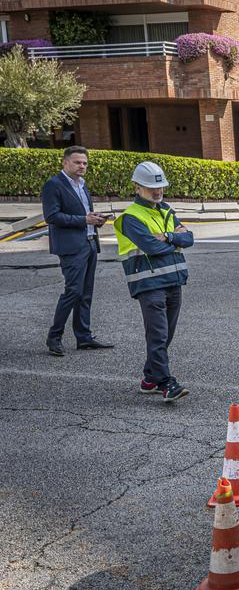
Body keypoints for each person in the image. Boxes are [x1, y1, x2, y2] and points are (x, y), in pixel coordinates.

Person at [114, 161, 193, 402]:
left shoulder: (166, 210)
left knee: (166, 333)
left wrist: (168, 236)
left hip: (173, 280)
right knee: (158, 335)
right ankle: (166, 383)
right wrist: (175, 240)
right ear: (137, 187)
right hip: (149, 284)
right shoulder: (131, 217)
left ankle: (149, 378)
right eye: (151, 188)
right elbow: (151, 247)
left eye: (160, 188)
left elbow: (189, 239)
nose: (157, 192)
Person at [41, 145, 114, 356]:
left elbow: (83, 214)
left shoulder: (82, 185)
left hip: (90, 243)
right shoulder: (53, 185)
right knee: (73, 291)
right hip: (71, 247)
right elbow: (52, 216)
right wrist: (84, 220)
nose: (82, 166)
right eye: (77, 162)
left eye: (84, 163)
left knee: (86, 293)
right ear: (65, 163)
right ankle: (54, 337)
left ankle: (84, 337)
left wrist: (95, 220)